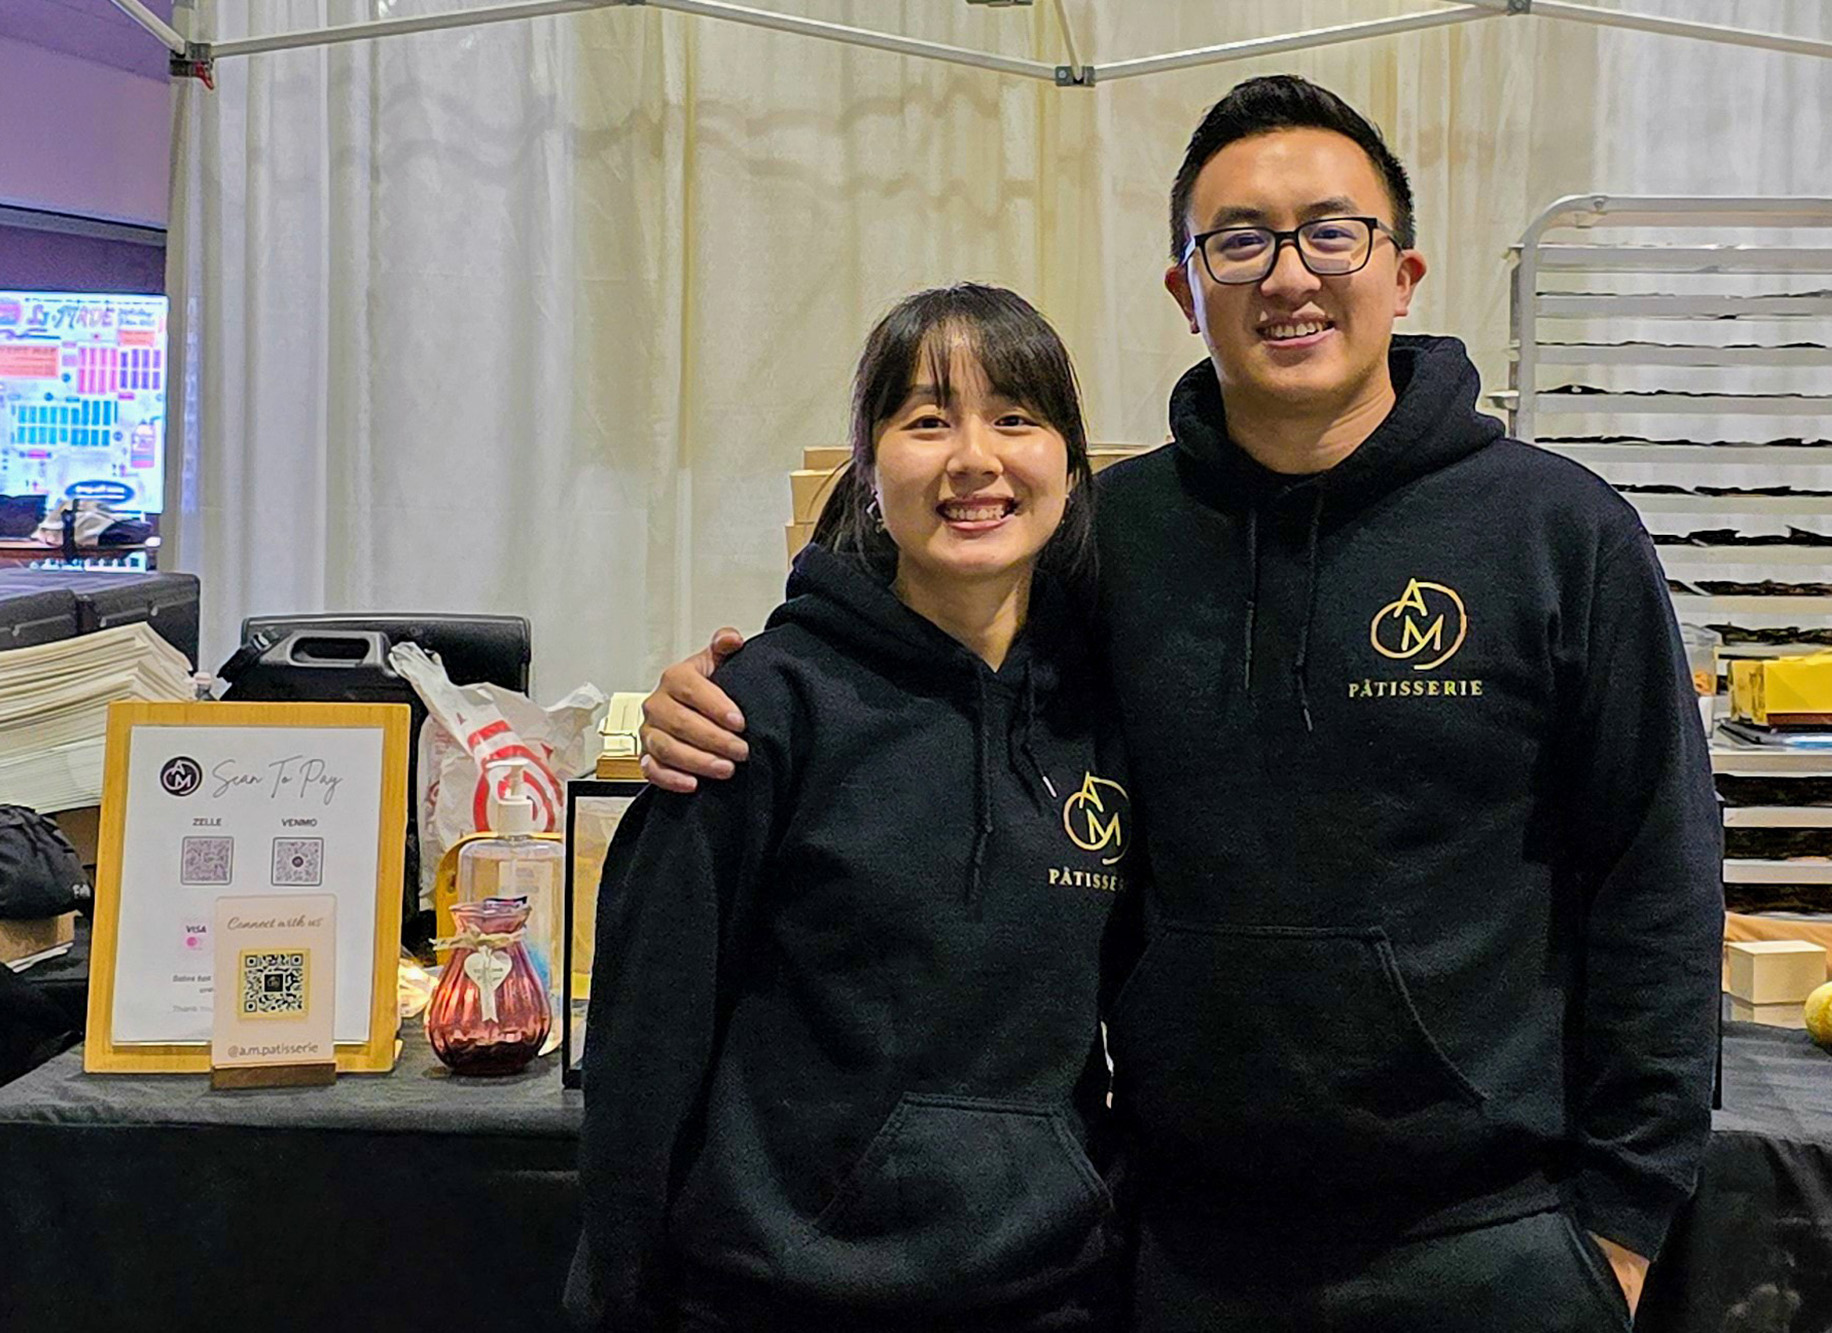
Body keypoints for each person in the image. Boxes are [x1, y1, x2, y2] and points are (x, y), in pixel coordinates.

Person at [642, 76, 1722, 1332]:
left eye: (1332, 232)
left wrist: (1622, 1224)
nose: (1288, 275)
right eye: (1238, 241)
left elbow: (1658, 873)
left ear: (1405, 271)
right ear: (1183, 287)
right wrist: (736, 685)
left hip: (1493, 1242)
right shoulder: (1118, 534)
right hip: (1184, 1249)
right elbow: (938, 665)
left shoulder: (1557, 532)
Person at [566, 284, 1134, 1333]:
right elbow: (647, 1042)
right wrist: (618, 1298)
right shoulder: (757, 712)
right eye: (926, 421)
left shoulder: (1106, 712)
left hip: (1051, 1293)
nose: (974, 458)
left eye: (1015, 417)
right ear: (868, 472)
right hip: (779, 1295)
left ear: (1066, 461)